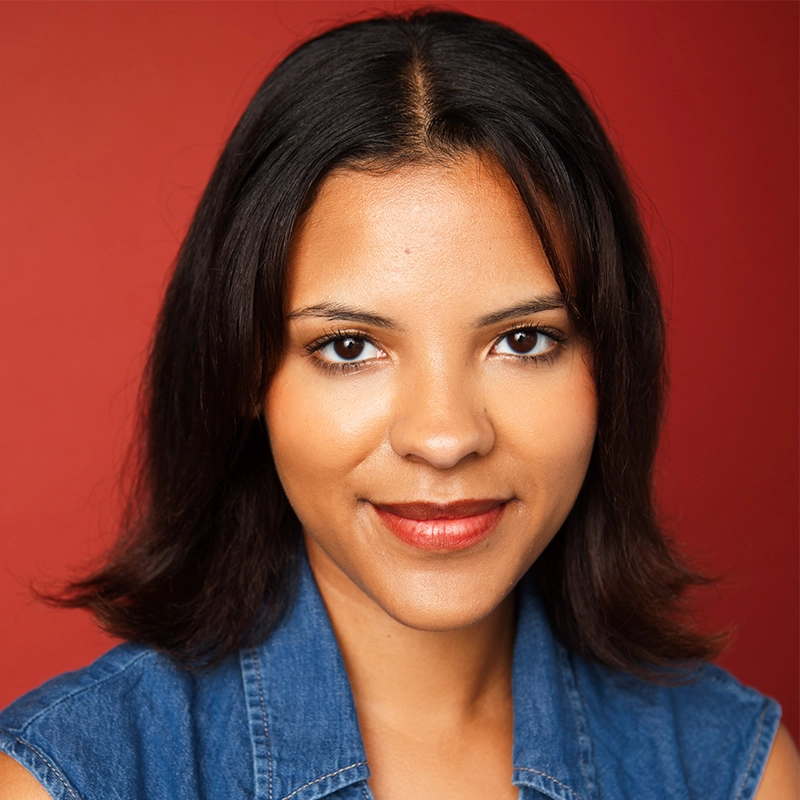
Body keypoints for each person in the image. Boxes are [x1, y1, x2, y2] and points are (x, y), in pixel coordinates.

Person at [0, 9, 796, 799]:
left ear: (612, 363)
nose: (445, 437)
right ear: (243, 368)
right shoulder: (72, 779)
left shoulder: (732, 773)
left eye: (523, 340)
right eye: (349, 346)